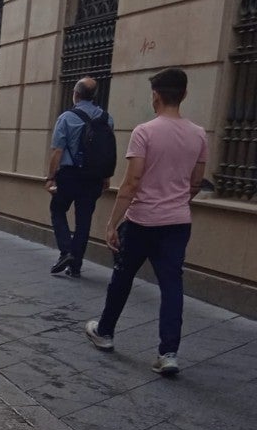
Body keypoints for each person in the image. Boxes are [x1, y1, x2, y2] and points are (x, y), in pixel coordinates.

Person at [85, 68, 208, 376]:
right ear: (184, 95)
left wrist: (113, 222)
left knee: (123, 276)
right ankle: (168, 353)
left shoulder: (145, 132)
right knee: (171, 285)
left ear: (156, 95)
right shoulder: (198, 134)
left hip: (142, 221)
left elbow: (131, 182)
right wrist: (176, 202)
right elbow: (195, 182)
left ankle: (105, 331)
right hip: (178, 222)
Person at [45, 77, 113, 277]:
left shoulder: (66, 117)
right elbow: (107, 151)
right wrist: (106, 177)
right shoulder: (107, 118)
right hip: (94, 177)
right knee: (84, 220)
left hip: (69, 175)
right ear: (94, 96)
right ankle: (75, 266)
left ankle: (66, 251)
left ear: (75, 94)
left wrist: (50, 177)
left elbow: (57, 151)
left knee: (57, 209)